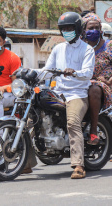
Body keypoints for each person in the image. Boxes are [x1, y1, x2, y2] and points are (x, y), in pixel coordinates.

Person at [43, 12, 95, 179]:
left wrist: (74, 72)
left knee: (73, 122)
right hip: (58, 93)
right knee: (31, 118)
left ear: (78, 29)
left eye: (69, 28)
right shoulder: (57, 48)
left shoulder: (87, 49)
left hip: (77, 93)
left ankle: (79, 165)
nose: (66, 31)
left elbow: (87, 73)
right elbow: (46, 71)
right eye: (63, 29)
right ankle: (26, 163)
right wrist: (28, 72)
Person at [0, 26, 36, 174]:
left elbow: (16, 85)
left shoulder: (12, 58)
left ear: (3, 42)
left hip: (8, 95)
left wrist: (3, 88)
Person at [81, 13, 112, 147]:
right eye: (90, 28)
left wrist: (109, 81)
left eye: (96, 27)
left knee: (94, 89)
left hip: (105, 86)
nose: (93, 30)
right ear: (83, 31)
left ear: (101, 30)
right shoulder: (80, 47)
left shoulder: (109, 45)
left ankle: (94, 131)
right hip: (83, 83)